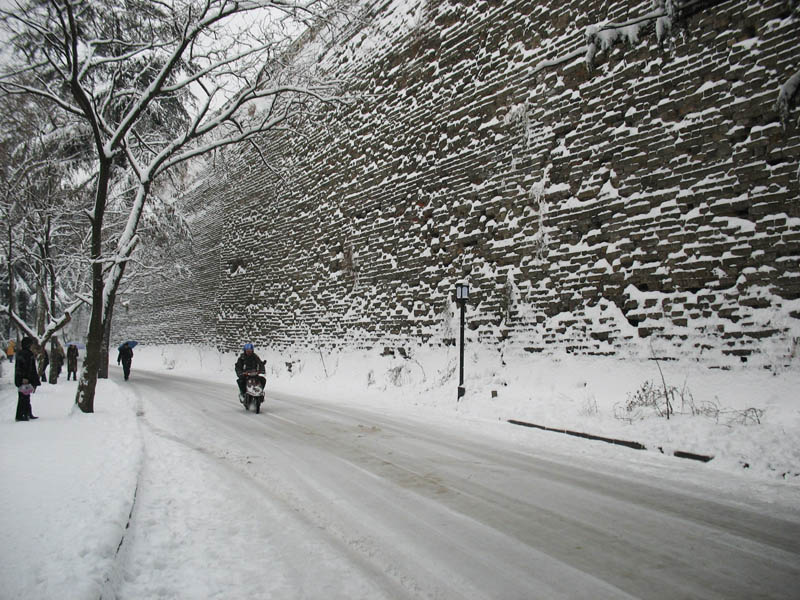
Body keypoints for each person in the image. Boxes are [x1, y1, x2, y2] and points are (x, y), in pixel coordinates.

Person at [15, 337, 41, 421]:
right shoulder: (25, 354)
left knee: (26, 396)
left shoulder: (25, 353)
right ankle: (21, 415)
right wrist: (25, 377)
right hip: (24, 379)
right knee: (23, 397)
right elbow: (23, 367)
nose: (32, 346)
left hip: (26, 378)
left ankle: (27, 413)